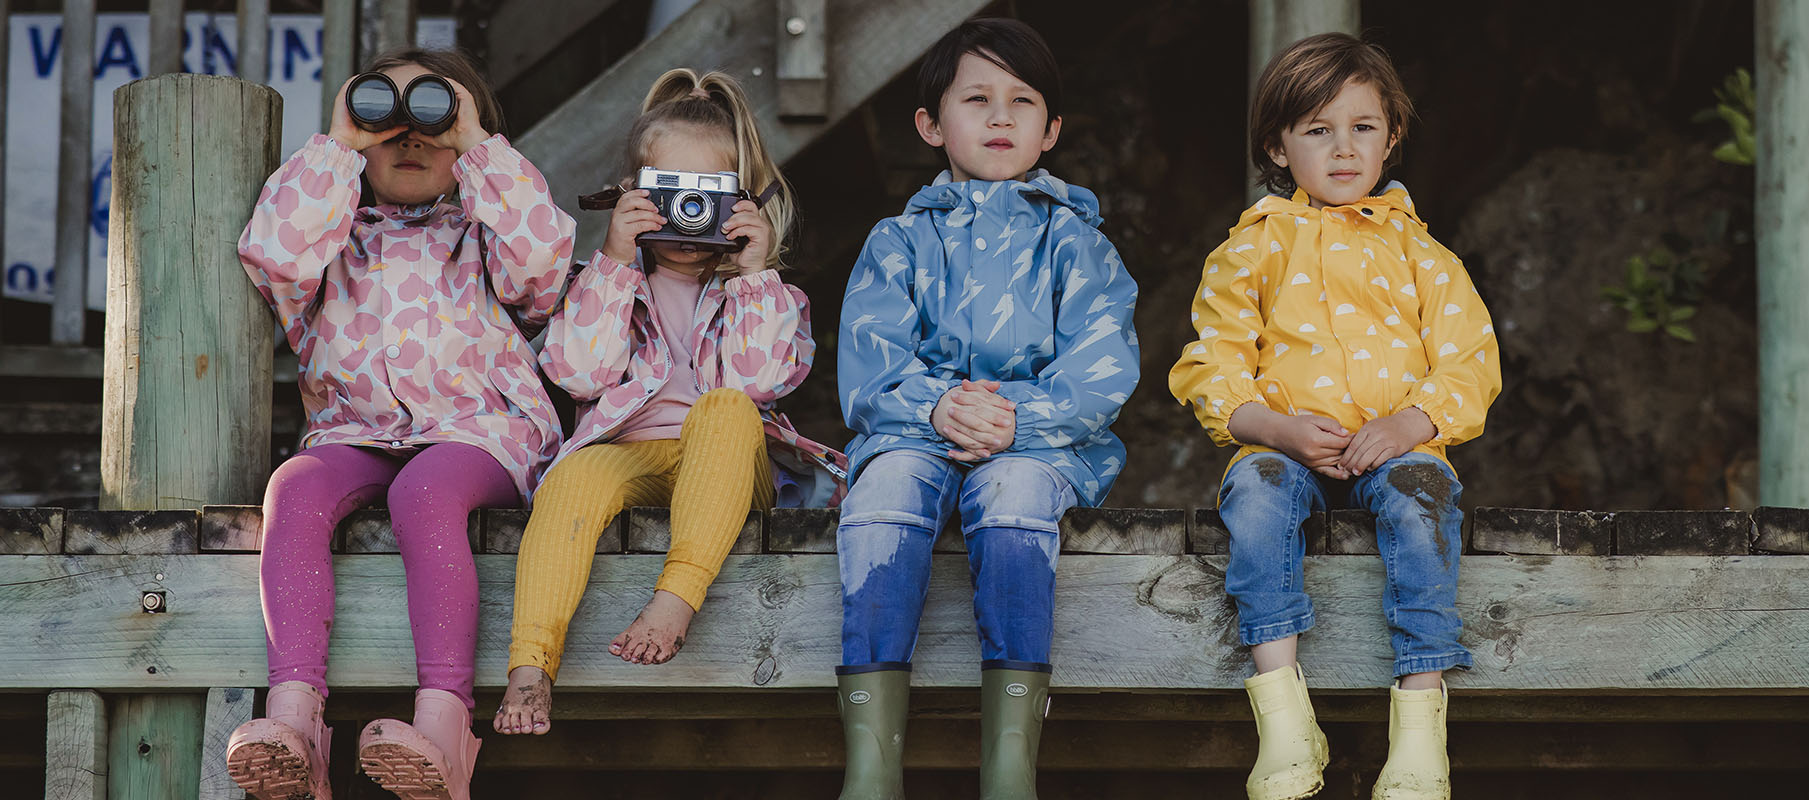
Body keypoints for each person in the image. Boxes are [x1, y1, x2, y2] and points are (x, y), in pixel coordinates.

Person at [225, 48, 572, 800]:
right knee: (294, 489)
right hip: (355, 432)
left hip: (481, 432)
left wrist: (478, 146)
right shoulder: (332, 235)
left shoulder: (481, 232)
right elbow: (273, 255)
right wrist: (338, 143)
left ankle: (444, 728)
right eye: (388, 119)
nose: (411, 138)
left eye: (435, 118)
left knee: (424, 494)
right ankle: (295, 720)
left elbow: (545, 261)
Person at [1169, 32, 1502, 800]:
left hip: (1399, 448)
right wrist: (1272, 427)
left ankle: (1421, 718)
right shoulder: (1251, 249)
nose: (1343, 148)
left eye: (1362, 127)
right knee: (1253, 497)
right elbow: (1209, 361)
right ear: (1278, 149)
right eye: (1318, 130)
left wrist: (1411, 424)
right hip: (1288, 450)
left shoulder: (1423, 254)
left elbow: (1471, 361)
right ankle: (1284, 719)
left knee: (1426, 503)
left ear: (1392, 136)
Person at [832, 18, 1139, 799]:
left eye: (1022, 101)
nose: (1000, 117)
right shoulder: (898, 241)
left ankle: (1010, 767)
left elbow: (1103, 369)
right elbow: (869, 365)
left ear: (1051, 130)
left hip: (1040, 443)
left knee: (1015, 493)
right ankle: (872, 766)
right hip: (915, 433)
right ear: (932, 125)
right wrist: (939, 409)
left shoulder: (1077, 244)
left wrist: (1018, 422)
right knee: (884, 494)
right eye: (977, 99)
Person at [493, 68, 846, 738]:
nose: (687, 214)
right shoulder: (608, 283)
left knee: (725, 409)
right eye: (668, 192)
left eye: (705, 195)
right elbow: (576, 374)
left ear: (745, 201)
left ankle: (676, 598)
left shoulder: (769, 294)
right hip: (631, 453)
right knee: (568, 477)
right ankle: (531, 664)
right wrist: (614, 260)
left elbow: (762, 381)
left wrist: (754, 273)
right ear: (631, 194)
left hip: (730, 469)